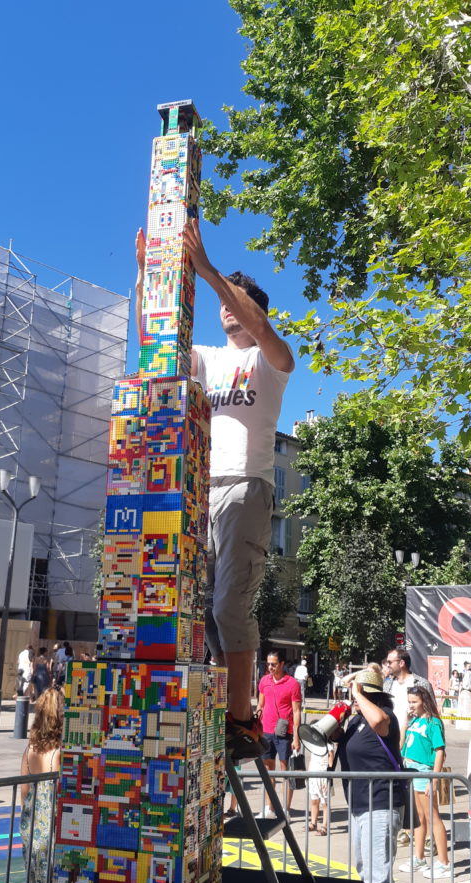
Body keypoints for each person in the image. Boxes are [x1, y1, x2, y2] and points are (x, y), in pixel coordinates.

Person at [136, 219, 294, 762]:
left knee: (231, 605)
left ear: (257, 310)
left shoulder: (269, 359)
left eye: (238, 297)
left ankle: (244, 721)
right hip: (202, 489)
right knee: (198, 606)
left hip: (246, 489)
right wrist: (145, 281)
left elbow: (264, 331)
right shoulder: (209, 357)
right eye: (223, 297)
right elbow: (155, 347)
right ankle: (218, 704)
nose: (226, 306)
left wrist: (209, 272)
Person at [333, 665, 405, 883]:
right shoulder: (356, 720)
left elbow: (379, 723)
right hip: (359, 803)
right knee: (365, 870)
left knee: (378, 874)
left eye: (360, 695)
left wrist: (357, 692)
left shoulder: (384, 715)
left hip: (381, 802)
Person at [400, 686, 451, 878]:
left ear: (424, 701)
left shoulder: (433, 722)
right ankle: (419, 857)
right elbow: (402, 746)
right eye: (409, 702)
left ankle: (444, 862)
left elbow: (439, 751)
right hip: (411, 771)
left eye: (414, 702)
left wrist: (434, 779)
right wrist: (405, 725)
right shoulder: (415, 721)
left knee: (432, 816)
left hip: (424, 771)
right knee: (418, 817)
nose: (411, 705)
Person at [19, 688, 63, 883]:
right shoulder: (59, 754)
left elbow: (24, 792)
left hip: (32, 823)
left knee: (33, 878)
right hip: (52, 828)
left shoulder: (29, 750)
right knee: (52, 882)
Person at [256, 650, 302, 815]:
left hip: (285, 733)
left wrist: (296, 738)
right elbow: (260, 706)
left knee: (286, 772)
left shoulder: (293, 684)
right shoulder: (264, 681)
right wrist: (255, 728)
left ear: (282, 664)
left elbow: (297, 711)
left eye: (273, 664)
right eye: (268, 664)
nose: (270, 667)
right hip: (266, 731)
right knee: (269, 771)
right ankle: (270, 807)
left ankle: (286, 809)